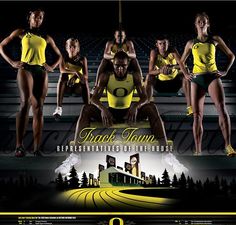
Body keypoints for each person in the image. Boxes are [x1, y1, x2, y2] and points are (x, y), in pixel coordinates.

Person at [55, 51, 188, 175]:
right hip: (111, 113)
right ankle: (75, 156)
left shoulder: (134, 76)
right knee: (86, 109)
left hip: (129, 112)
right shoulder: (106, 76)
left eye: (123, 66)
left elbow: (145, 97)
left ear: (128, 64)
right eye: (117, 66)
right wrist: (103, 109)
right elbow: (93, 98)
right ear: (112, 64)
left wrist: (136, 106)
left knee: (151, 107)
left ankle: (167, 156)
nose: (120, 69)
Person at [0, 9, 62, 157]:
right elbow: (1, 46)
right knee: (25, 104)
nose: (38, 20)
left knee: (39, 108)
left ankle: (36, 148)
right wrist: (12, 62)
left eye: (40, 18)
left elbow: (59, 55)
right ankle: (19, 146)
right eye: (35, 17)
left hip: (41, 70)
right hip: (25, 68)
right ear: (29, 18)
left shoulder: (46, 37)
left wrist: (52, 66)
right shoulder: (21, 32)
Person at [181, 12, 236, 156]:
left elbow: (231, 55)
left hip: (212, 77)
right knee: (197, 116)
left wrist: (225, 71)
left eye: (204, 21)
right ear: (195, 24)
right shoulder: (191, 43)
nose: (201, 23)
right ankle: (198, 150)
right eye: (199, 21)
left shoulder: (215, 39)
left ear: (208, 24)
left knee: (222, 110)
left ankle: (228, 146)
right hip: (197, 80)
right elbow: (181, 61)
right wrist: (186, 74)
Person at [145, 35, 192, 116]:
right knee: (149, 77)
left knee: (186, 73)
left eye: (164, 43)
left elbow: (182, 64)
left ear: (168, 43)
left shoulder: (173, 50)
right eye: (160, 44)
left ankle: (190, 107)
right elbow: (150, 71)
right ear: (157, 45)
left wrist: (172, 67)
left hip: (174, 83)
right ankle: (147, 108)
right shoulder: (154, 52)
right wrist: (160, 70)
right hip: (161, 84)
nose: (163, 46)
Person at [53, 38, 90, 119]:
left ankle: (88, 109)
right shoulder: (63, 57)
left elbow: (86, 76)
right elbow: (62, 70)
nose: (72, 49)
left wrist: (76, 77)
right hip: (66, 87)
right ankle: (59, 108)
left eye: (74, 47)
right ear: (66, 48)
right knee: (62, 75)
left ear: (78, 48)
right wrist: (76, 72)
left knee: (85, 81)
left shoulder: (82, 59)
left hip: (78, 88)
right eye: (70, 46)